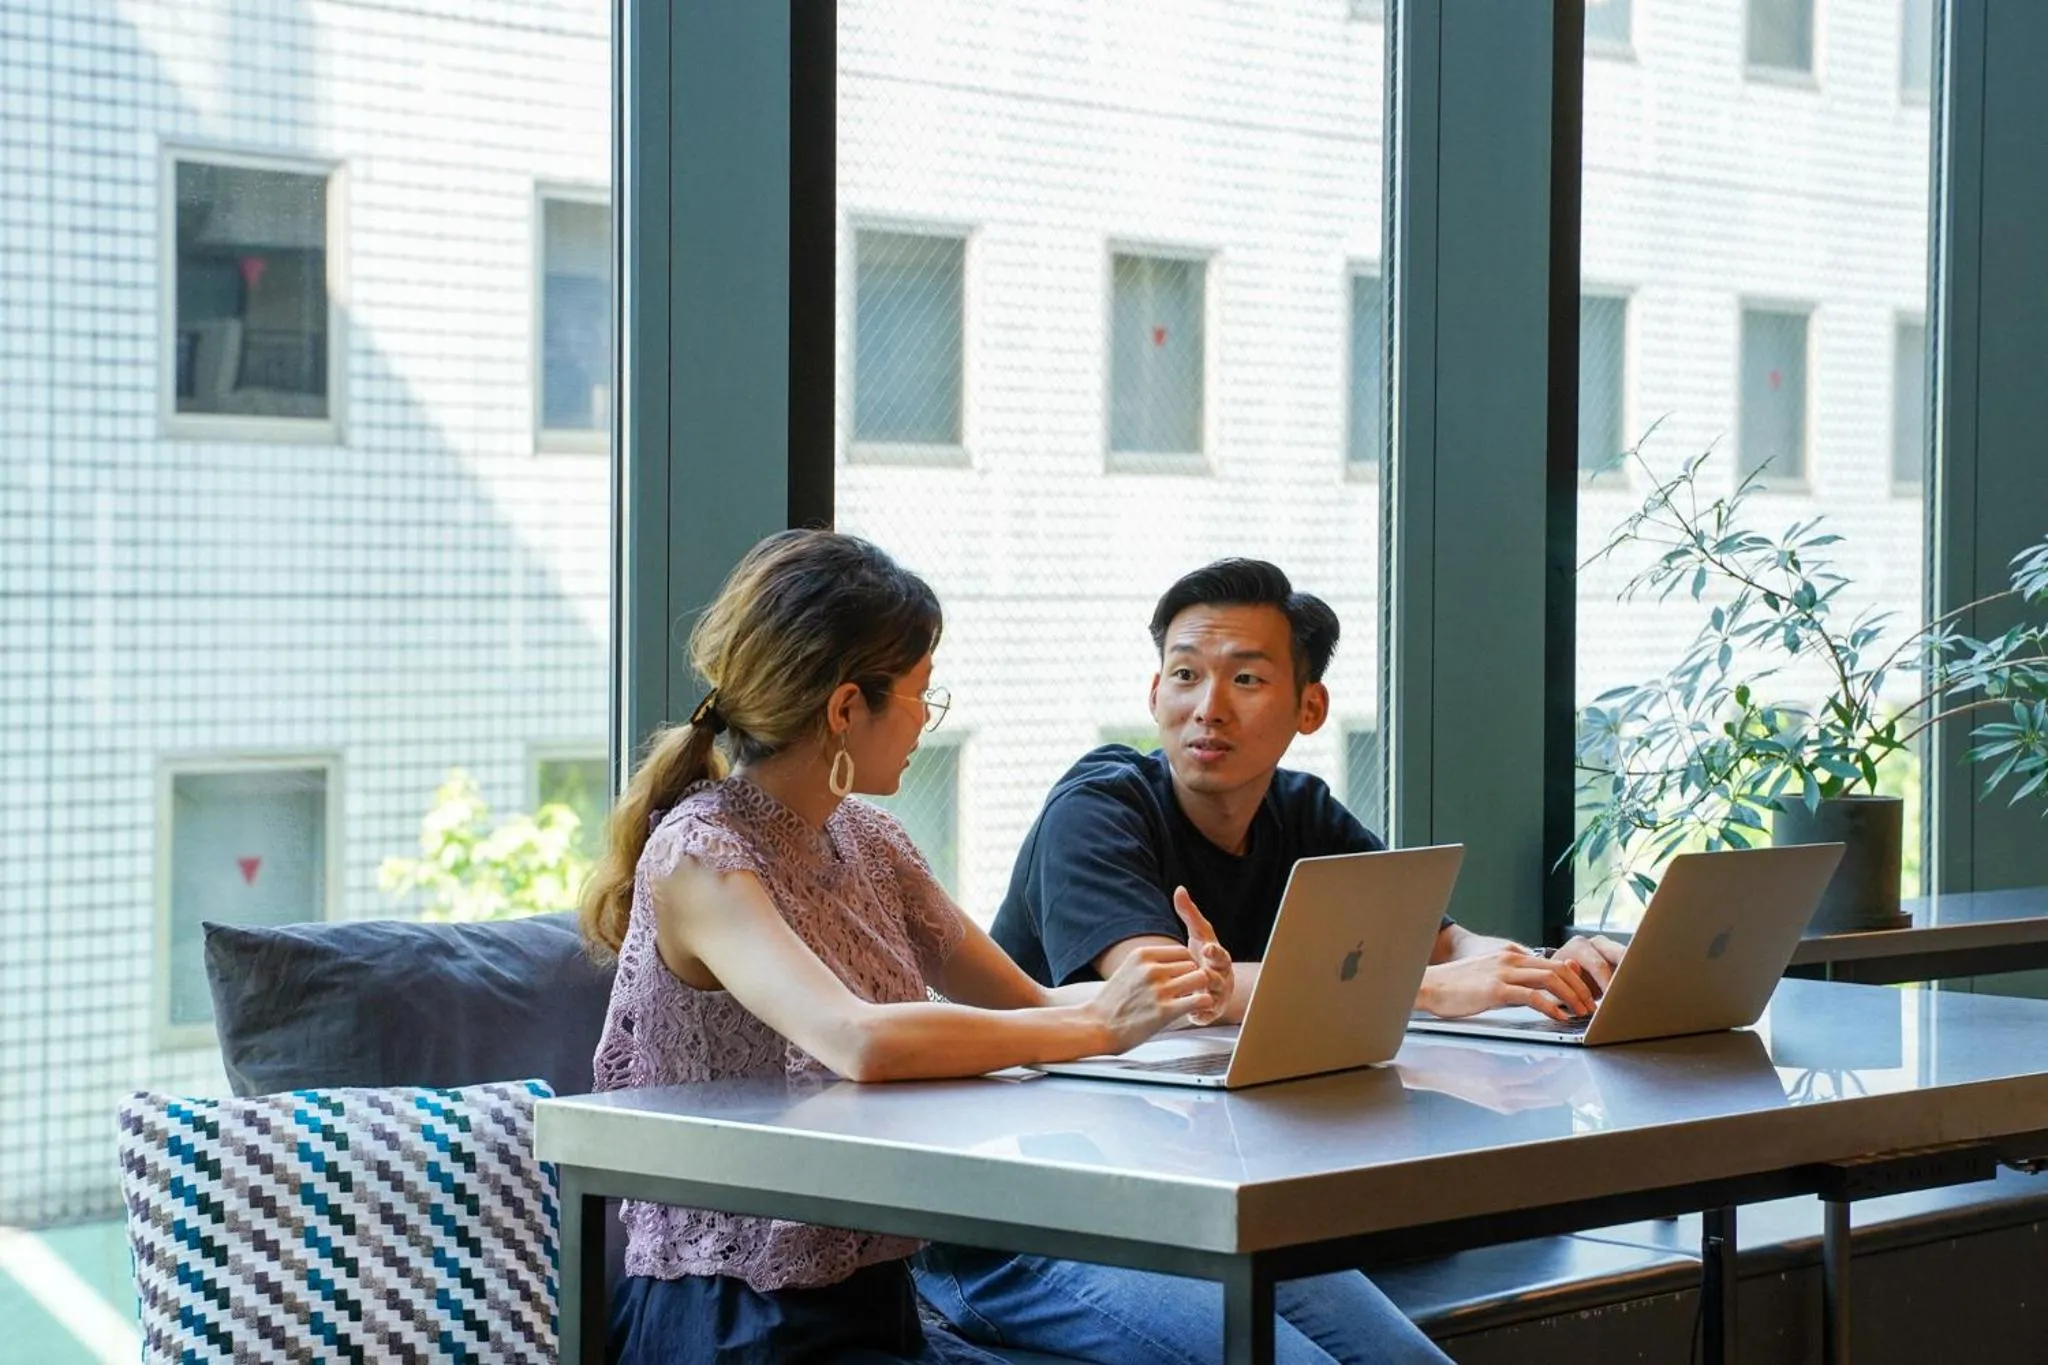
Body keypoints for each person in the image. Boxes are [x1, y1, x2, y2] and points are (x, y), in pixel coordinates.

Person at [915, 558, 1623, 1364]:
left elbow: (1450, 943)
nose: (1207, 707)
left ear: (1309, 706)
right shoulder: (1100, 804)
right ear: (1154, 694)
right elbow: (1166, 988)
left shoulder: (1300, 811)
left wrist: (1545, 967)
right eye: (1184, 674)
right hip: (1040, 1219)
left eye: (1246, 678)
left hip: (1210, 1200)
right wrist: (1428, 989)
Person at [580, 529, 1219, 1365]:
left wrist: (1165, 993)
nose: (929, 717)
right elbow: (857, 1039)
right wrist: (1102, 1024)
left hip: (870, 1303)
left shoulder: (871, 841)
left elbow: (1026, 1004)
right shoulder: (703, 856)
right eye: (922, 694)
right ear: (847, 708)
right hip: (736, 1319)